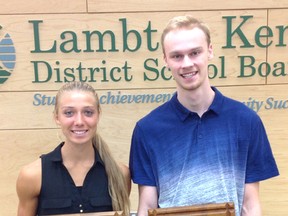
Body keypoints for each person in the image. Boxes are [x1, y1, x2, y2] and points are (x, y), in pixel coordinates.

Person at [129, 15, 279, 216]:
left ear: (210, 51)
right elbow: (147, 207)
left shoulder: (246, 121)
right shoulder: (147, 129)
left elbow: (249, 206)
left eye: (195, 52)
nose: (187, 63)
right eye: (177, 56)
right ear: (165, 60)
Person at [16, 81, 131, 216]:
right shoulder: (32, 176)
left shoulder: (120, 174)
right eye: (69, 113)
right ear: (56, 117)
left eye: (88, 112)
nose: (79, 122)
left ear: (98, 115)